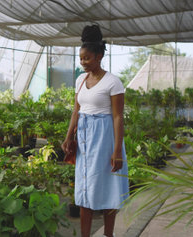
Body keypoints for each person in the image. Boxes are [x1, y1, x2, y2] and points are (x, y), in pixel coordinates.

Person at [61, 25, 129, 237]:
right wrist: (68, 136)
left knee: (108, 186)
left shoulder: (113, 82)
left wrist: (117, 151)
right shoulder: (80, 80)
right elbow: (76, 110)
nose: (83, 62)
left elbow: (118, 117)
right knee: (84, 188)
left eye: (87, 58)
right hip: (84, 139)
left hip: (105, 138)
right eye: (81, 59)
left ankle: (109, 234)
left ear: (99, 56)